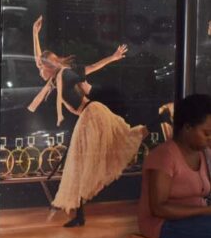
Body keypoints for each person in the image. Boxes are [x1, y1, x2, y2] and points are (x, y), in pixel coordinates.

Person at [29, 15, 146, 226]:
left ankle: (79, 216)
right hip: (88, 116)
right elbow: (39, 59)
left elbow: (91, 68)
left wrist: (112, 57)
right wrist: (35, 33)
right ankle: (79, 216)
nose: (39, 70)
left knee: (83, 162)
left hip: (92, 114)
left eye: (41, 68)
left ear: (49, 68)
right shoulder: (56, 80)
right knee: (79, 164)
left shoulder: (65, 76)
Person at [138, 93, 211, 238]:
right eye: (206, 133)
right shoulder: (164, 156)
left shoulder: (205, 154)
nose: (210, 138)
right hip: (162, 225)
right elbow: (159, 208)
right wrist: (204, 211)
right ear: (187, 127)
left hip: (197, 222)